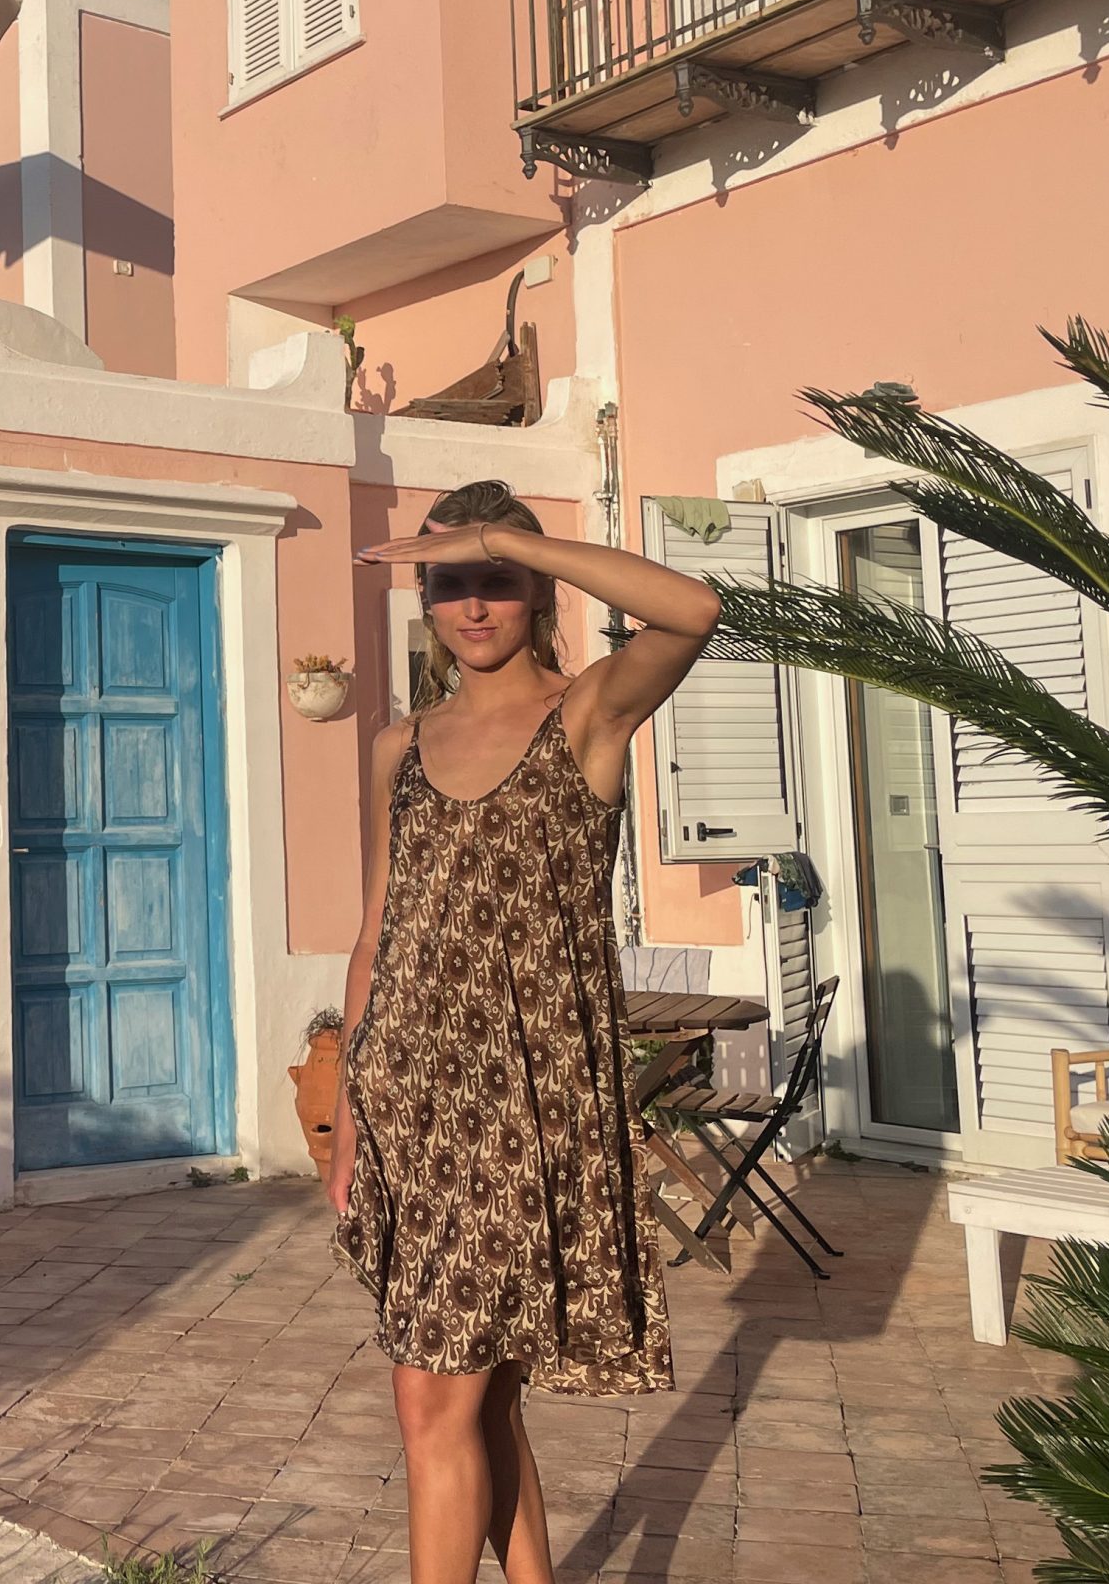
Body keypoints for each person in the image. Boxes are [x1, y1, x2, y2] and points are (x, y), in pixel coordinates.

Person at [334, 478, 722, 1584]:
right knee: (479, 1385)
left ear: (536, 585)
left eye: (495, 577)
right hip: (410, 1100)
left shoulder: (588, 712)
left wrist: (503, 529)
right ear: (426, 596)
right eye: (449, 580)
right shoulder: (395, 744)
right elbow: (376, 930)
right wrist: (351, 1121)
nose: (473, 604)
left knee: (431, 1392)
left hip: (523, 1110)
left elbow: (692, 608)